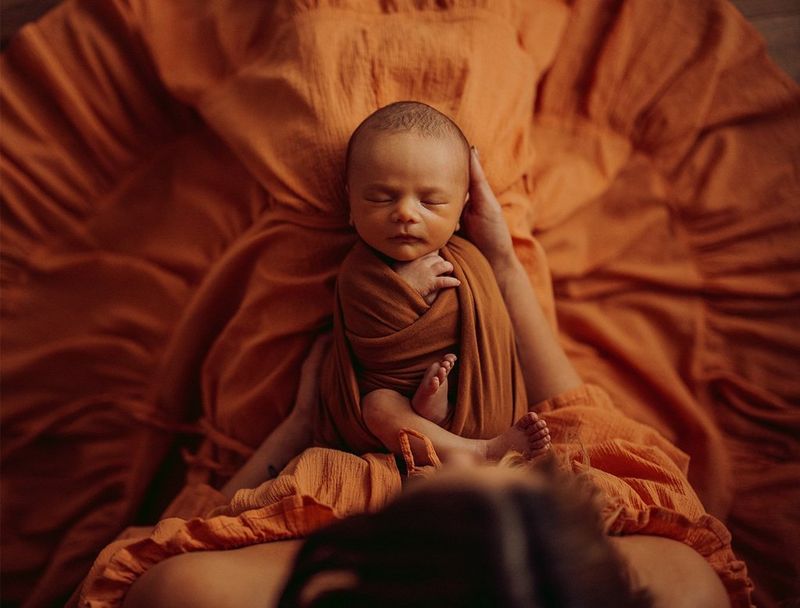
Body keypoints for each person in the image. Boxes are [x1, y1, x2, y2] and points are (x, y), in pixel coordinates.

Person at [119, 139, 733, 608]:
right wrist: (502, 261)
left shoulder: (198, 591)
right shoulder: (680, 585)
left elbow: (194, 529)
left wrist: (300, 425)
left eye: (467, 480)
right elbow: (583, 421)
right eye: (514, 481)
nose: (456, 462)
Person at [319, 101, 564, 464]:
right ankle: (479, 450)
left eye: (431, 202)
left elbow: (497, 342)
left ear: (461, 210)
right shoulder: (357, 270)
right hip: (391, 419)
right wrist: (404, 292)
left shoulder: (473, 262)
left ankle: (436, 405)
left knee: (437, 386)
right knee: (378, 406)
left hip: (474, 401)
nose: (405, 213)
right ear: (351, 205)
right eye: (380, 198)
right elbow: (368, 341)